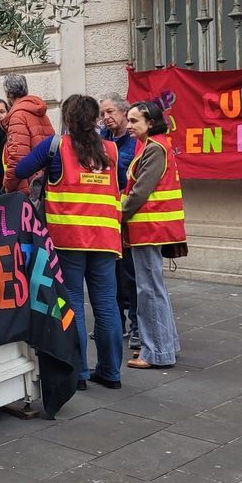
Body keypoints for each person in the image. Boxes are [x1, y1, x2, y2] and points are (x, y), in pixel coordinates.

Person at [15, 95, 124, 390]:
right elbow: (122, 183)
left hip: (68, 239)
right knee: (107, 304)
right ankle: (111, 373)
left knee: (73, 302)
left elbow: (20, 170)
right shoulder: (111, 150)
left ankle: (79, 373)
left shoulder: (55, 147)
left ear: (67, 119)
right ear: (96, 119)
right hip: (105, 239)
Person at [122, 101, 185, 370]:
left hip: (149, 229)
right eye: (129, 120)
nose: (129, 125)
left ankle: (157, 351)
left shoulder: (154, 148)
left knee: (148, 291)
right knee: (154, 289)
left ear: (150, 122)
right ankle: (165, 345)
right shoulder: (155, 145)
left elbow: (139, 192)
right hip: (151, 228)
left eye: (134, 121)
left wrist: (117, 214)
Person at [99, 93, 140, 351]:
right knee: (110, 277)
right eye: (102, 114)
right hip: (107, 220)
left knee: (131, 277)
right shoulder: (101, 140)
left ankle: (137, 326)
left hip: (129, 220)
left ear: (124, 112)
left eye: (110, 112)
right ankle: (116, 324)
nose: (106, 117)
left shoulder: (135, 142)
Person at [1, 73, 55, 193]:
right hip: (44, 180)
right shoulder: (39, 112)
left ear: (8, 94)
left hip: (28, 185)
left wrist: (8, 185)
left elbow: (17, 157)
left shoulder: (18, 116)